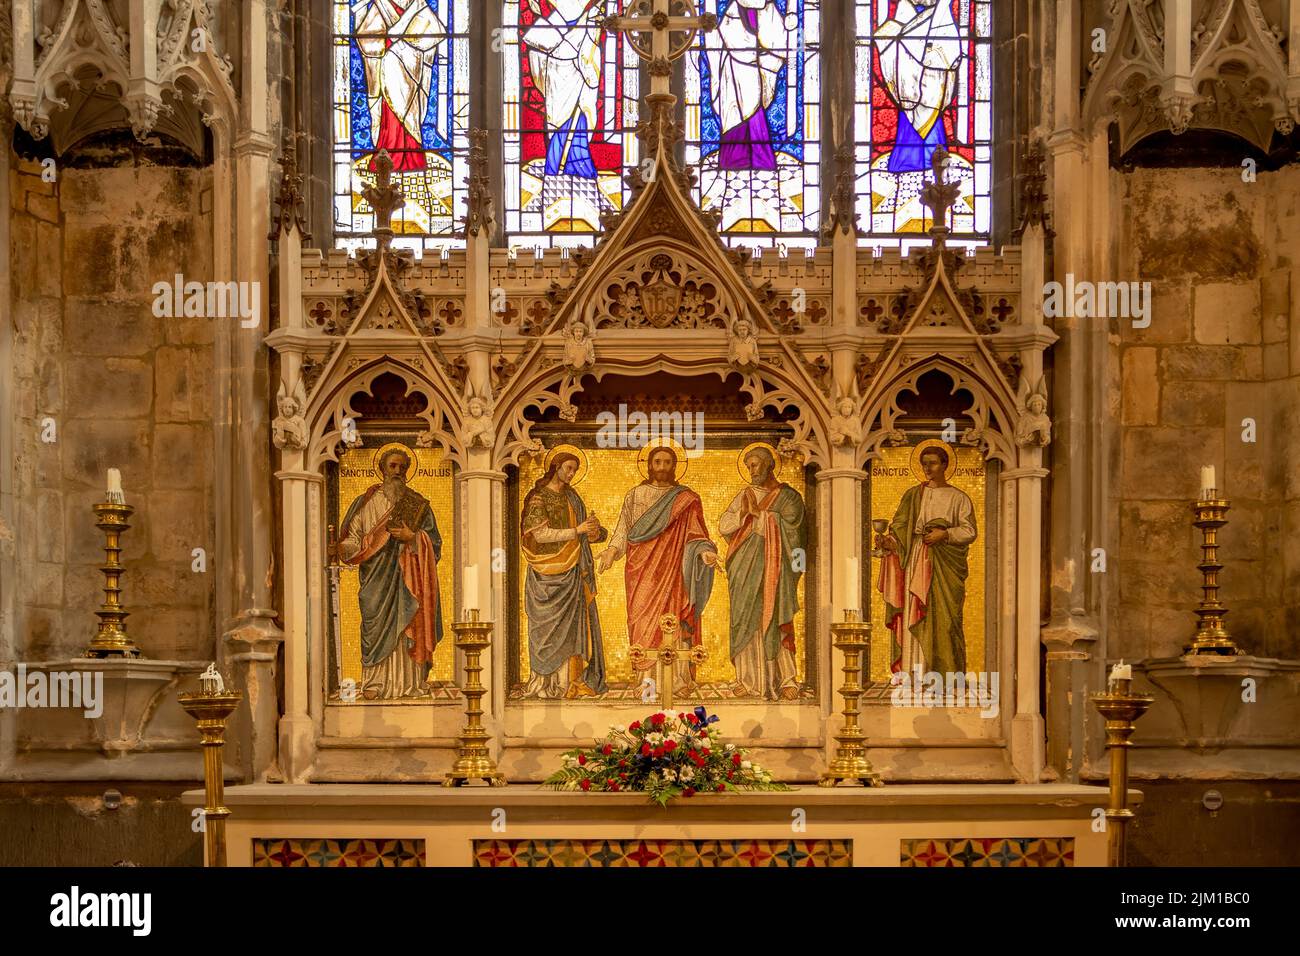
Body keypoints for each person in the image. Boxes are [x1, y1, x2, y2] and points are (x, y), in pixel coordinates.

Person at [599, 447, 717, 690]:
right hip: (641, 569)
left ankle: (677, 680)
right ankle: (646, 681)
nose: (662, 467)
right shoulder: (635, 494)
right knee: (641, 621)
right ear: (649, 464)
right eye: (657, 462)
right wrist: (612, 551)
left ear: (674, 466)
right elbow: (623, 529)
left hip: (674, 570)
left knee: (673, 618)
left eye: (667, 462)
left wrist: (704, 551)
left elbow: (696, 533)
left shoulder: (687, 498)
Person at [339, 447, 444, 699]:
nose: (398, 472)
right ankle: (375, 682)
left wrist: (414, 538)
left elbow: (435, 544)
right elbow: (350, 539)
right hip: (376, 580)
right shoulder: (366, 503)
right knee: (374, 625)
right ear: (383, 468)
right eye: (393, 466)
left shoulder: (417, 504)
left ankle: (410, 682)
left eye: (402, 467)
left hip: (410, 581)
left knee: (409, 624)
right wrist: (345, 548)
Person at [877, 444, 976, 675]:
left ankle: (945, 672)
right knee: (915, 608)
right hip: (917, 557)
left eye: (932, 463)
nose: (927, 468)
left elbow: (969, 531)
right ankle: (914, 670)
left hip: (944, 561)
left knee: (946, 617)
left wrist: (946, 534)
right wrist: (889, 541)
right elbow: (901, 527)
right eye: (924, 463)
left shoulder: (958, 498)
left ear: (944, 465)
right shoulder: (913, 494)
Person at [718, 446, 805, 699]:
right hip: (743, 565)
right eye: (748, 466)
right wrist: (744, 514)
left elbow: (796, 531)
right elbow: (724, 523)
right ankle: (747, 680)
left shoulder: (789, 497)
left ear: (769, 465)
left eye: (755, 465)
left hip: (776, 567)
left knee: (777, 617)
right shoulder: (745, 494)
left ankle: (786, 679)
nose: (751, 471)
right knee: (744, 619)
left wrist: (763, 517)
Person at [520, 452, 607, 698]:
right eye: (568, 468)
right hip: (546, 573)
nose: (571, 474)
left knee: (575, 627)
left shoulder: (572, 497)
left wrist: (592, 531)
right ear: (555, 467)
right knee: (548, 630)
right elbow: (539, 535)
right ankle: (547, 684)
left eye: (574, 470)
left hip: (573, 573)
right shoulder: (539, 498)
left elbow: (583, 533)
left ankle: (572, 681)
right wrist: (576, 530)